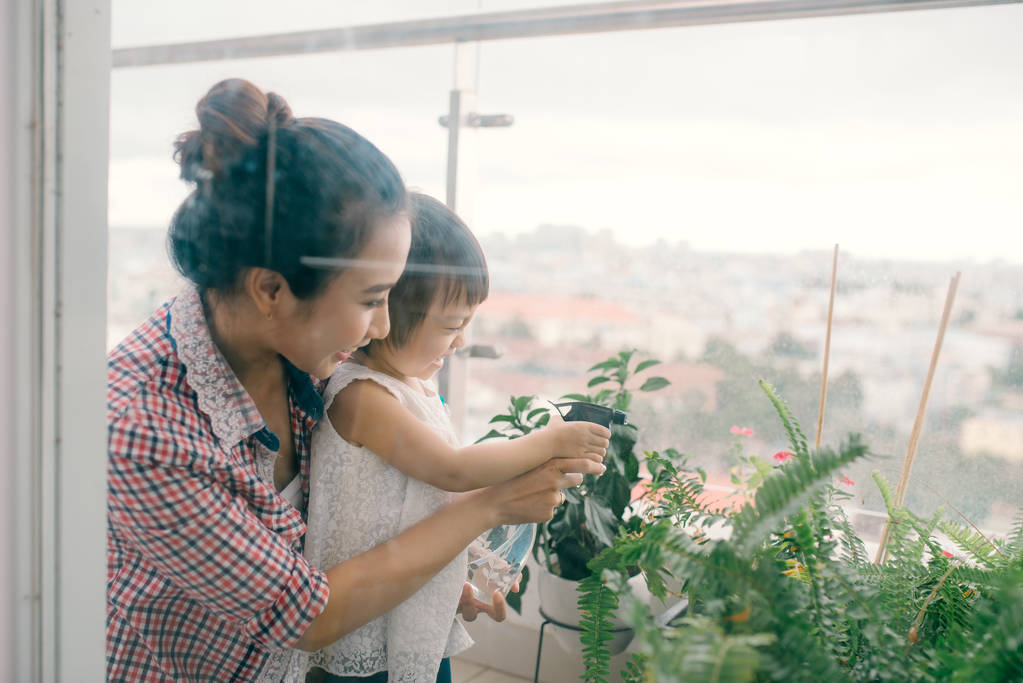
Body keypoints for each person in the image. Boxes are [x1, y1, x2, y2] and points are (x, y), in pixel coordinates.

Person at [105, 79, 607, 682]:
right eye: (372, 299)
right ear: (271, 290)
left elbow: (356, 517)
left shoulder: (297, 347)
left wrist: (436, 576)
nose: (383, 328)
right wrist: (489, 506)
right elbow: (304, 614)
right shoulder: (143, 430)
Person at [300, 193, 611, 682]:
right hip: (359, 631)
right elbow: (454, 470)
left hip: (402, 598)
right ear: (387, 318)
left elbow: (416, 505)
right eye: (452, 326)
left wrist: (447, 580)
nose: (462, 341)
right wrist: (550, 441)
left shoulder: (411, 388)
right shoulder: (362, 397)